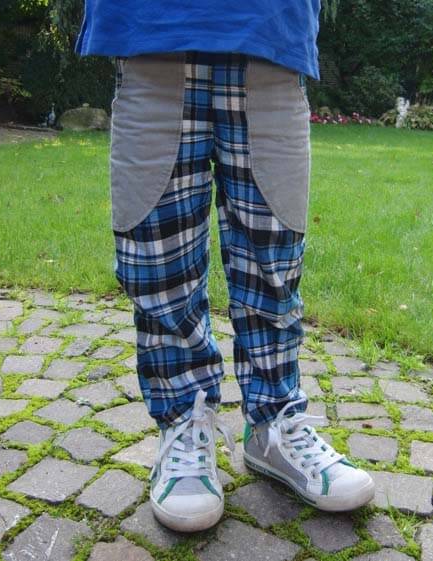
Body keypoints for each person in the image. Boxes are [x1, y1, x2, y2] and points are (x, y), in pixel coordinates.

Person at [76, 0, 375, 532]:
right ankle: (183, 424)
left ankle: (274, 425)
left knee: (274, 262)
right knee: (159, 263)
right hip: (151, 31)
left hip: (271, 32)